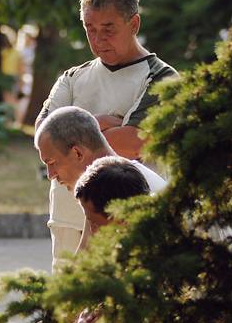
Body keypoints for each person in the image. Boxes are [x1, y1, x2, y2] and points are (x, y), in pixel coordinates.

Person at [35, 0, 178, 270]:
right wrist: (104, 124)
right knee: (66, 308)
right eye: (90, 29)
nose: (98, 39)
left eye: (108, 29)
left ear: (134, 24)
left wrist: (75, 129)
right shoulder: (73, 78)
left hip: (125, 220)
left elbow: (133, 141)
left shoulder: (161, 78)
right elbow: (44, 135)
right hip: (67, 218)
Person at [0, 155, 151, 323]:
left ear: (124, 213)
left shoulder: (158, 251)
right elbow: (73, 290)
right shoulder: (112, 231)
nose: (92, 231)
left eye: (96, 223)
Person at [36, 106, 166, 271]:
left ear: (77, 153)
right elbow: (83, 266)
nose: (50, 175)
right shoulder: (98, 187)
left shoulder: (128, 187)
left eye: (52, 163)